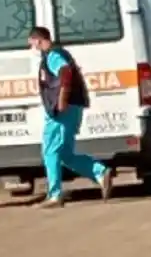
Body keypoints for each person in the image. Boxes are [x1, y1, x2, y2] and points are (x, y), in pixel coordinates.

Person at [28, 27, 114, 208]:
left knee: (50, 151)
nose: (31, 46)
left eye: (31, 41)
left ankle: (54, 195)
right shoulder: (58, 53)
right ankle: (99, 172)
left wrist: (61, 100)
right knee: (65, 154)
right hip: (72, 108)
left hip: (62, 111)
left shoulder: (53, 55)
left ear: (38, 40)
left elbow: (65, 73)